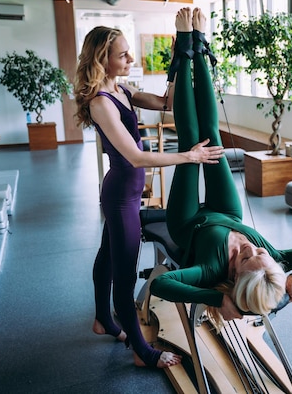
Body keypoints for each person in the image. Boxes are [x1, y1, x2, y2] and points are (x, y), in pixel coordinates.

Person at [150, 7, 292, 331]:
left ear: (234, 275)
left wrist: (216, 300)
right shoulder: (269, 256)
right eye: (259, 251)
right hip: (226, 212)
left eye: (243, 257)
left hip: (187, 224)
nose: (249, 246)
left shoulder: (211, 269)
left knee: (190, 143)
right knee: (211, 135)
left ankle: (183, 43)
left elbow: (162, 285)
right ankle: (199, 44)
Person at [73, 23, 225, 368]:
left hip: (126, 192)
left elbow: (166, 103)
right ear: (103, 59)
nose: (130, 57)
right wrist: (189, 156)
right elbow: (137, 157)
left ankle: (104, 321)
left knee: (107, 256)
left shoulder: (122, 90)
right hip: (120, 197)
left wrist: (176, 59)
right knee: (125, 273)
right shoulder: (101, 102)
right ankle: (143, 352)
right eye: (122, 54)